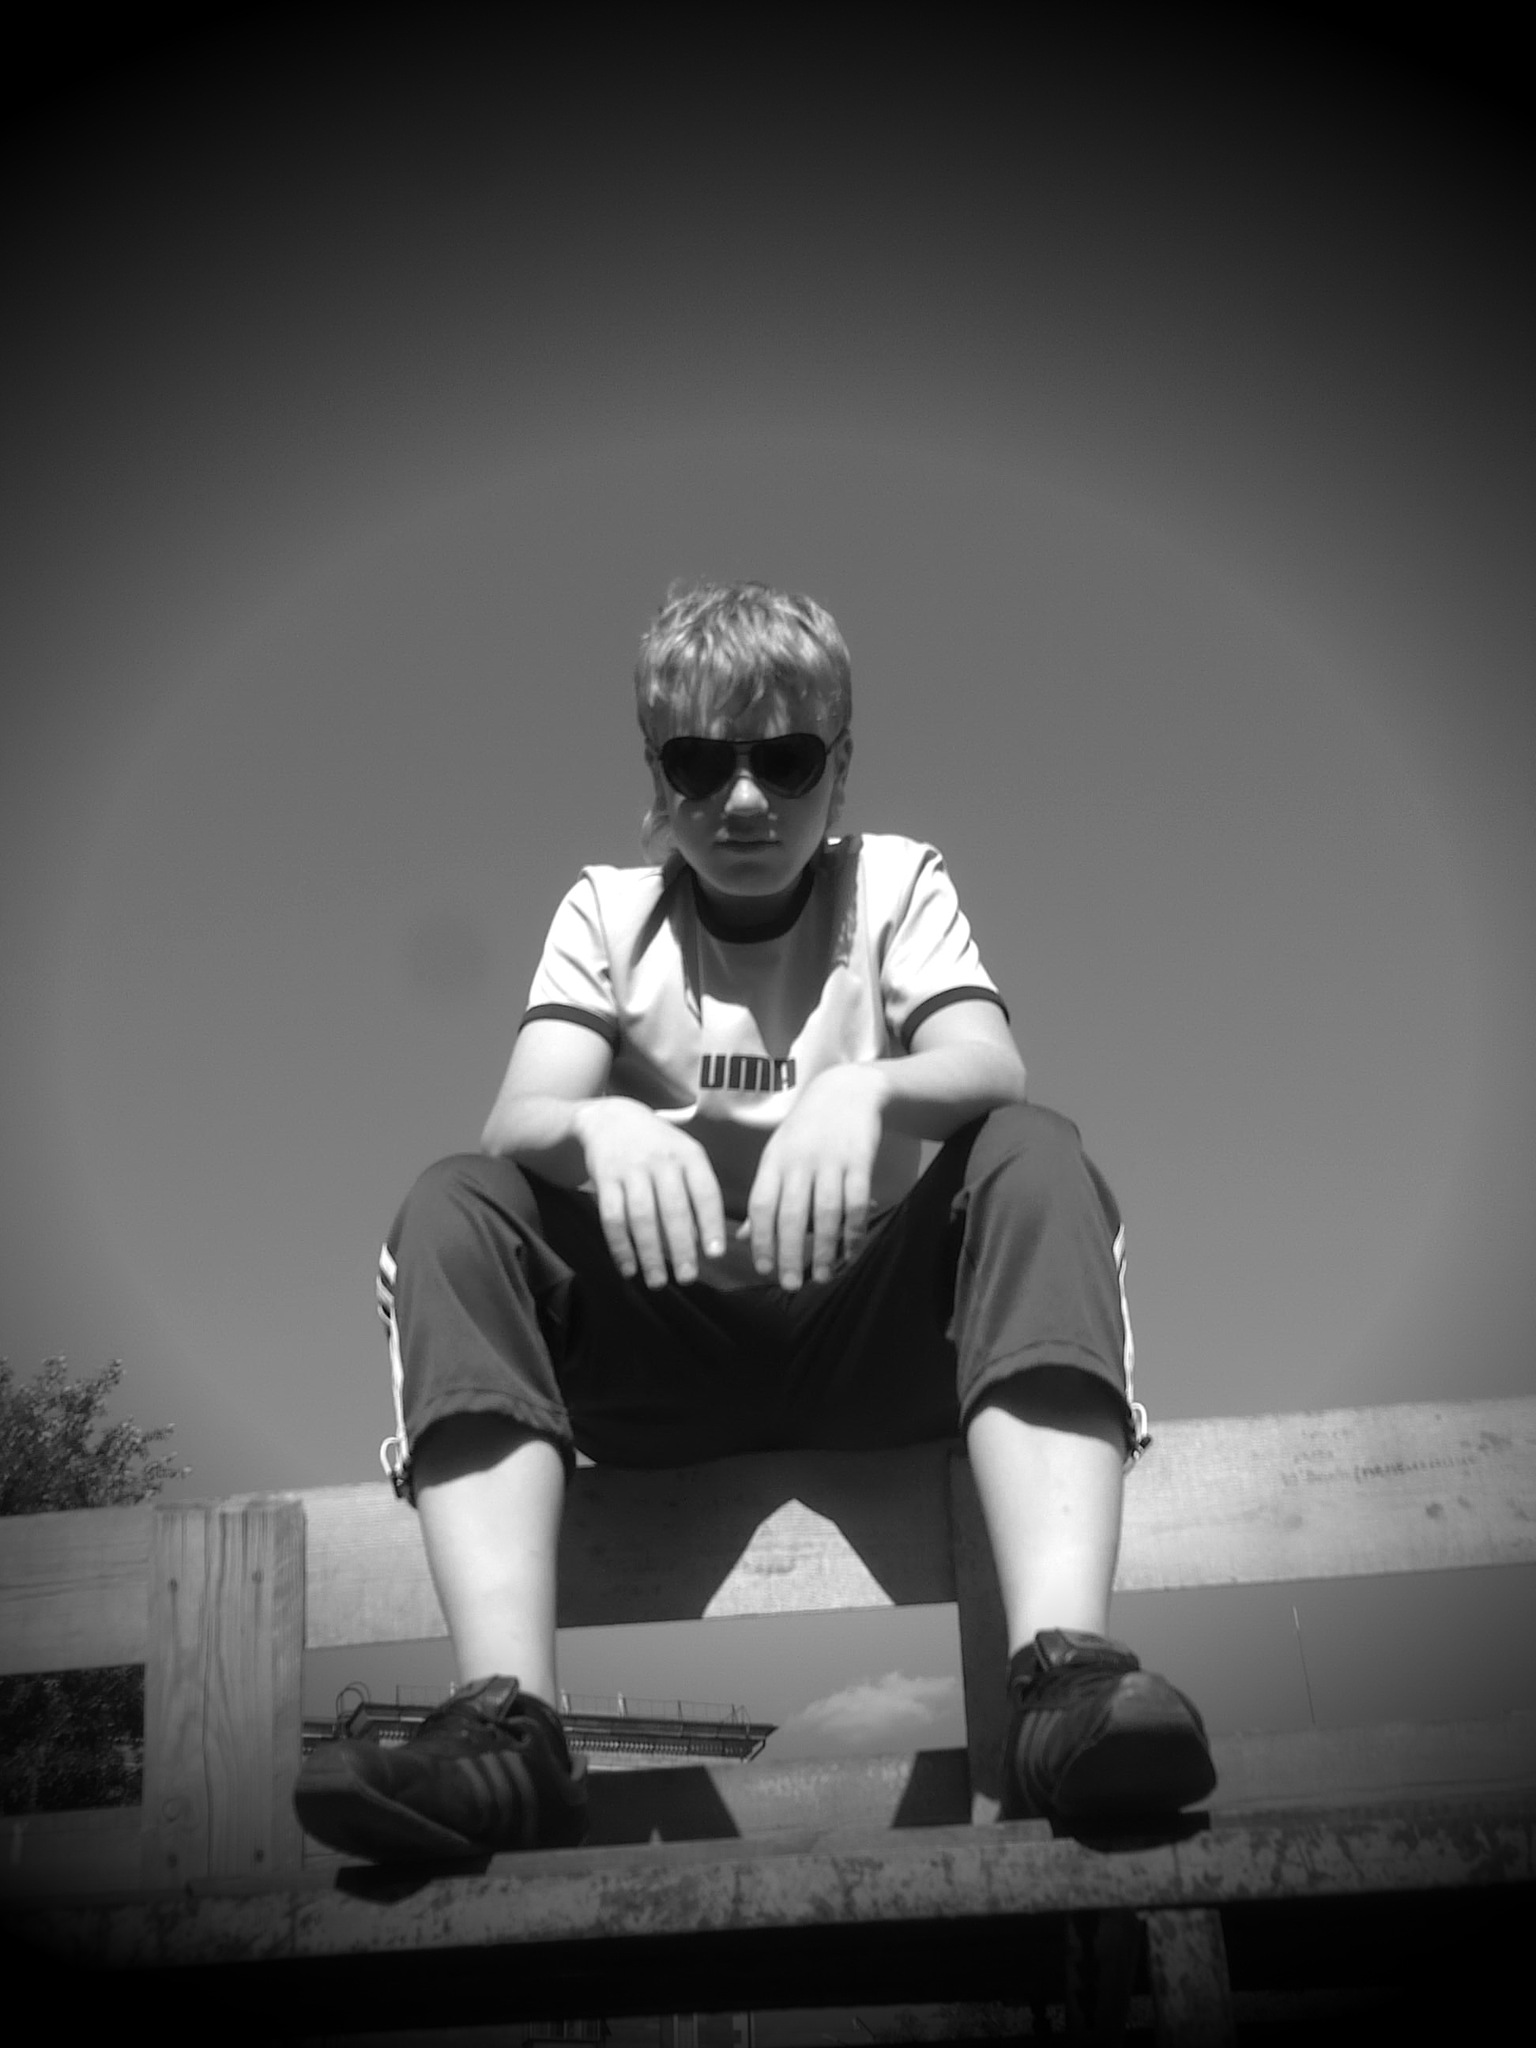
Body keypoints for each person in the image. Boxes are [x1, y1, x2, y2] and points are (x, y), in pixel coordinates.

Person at [293, 580, 1216, 1862]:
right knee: (455, 1200)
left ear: (841, 767)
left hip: (873, 1346)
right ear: (655, 777)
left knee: (1034, 1151)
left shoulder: (894, 882)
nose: (743, 799)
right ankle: (509, 1728)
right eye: (700, 763)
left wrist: (866, 1089)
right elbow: (518, 1117)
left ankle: (1067, 1682)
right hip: (664, 1358)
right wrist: (603, 1128)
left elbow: (990, 1061)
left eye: (785, 762)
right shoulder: (607, 913)